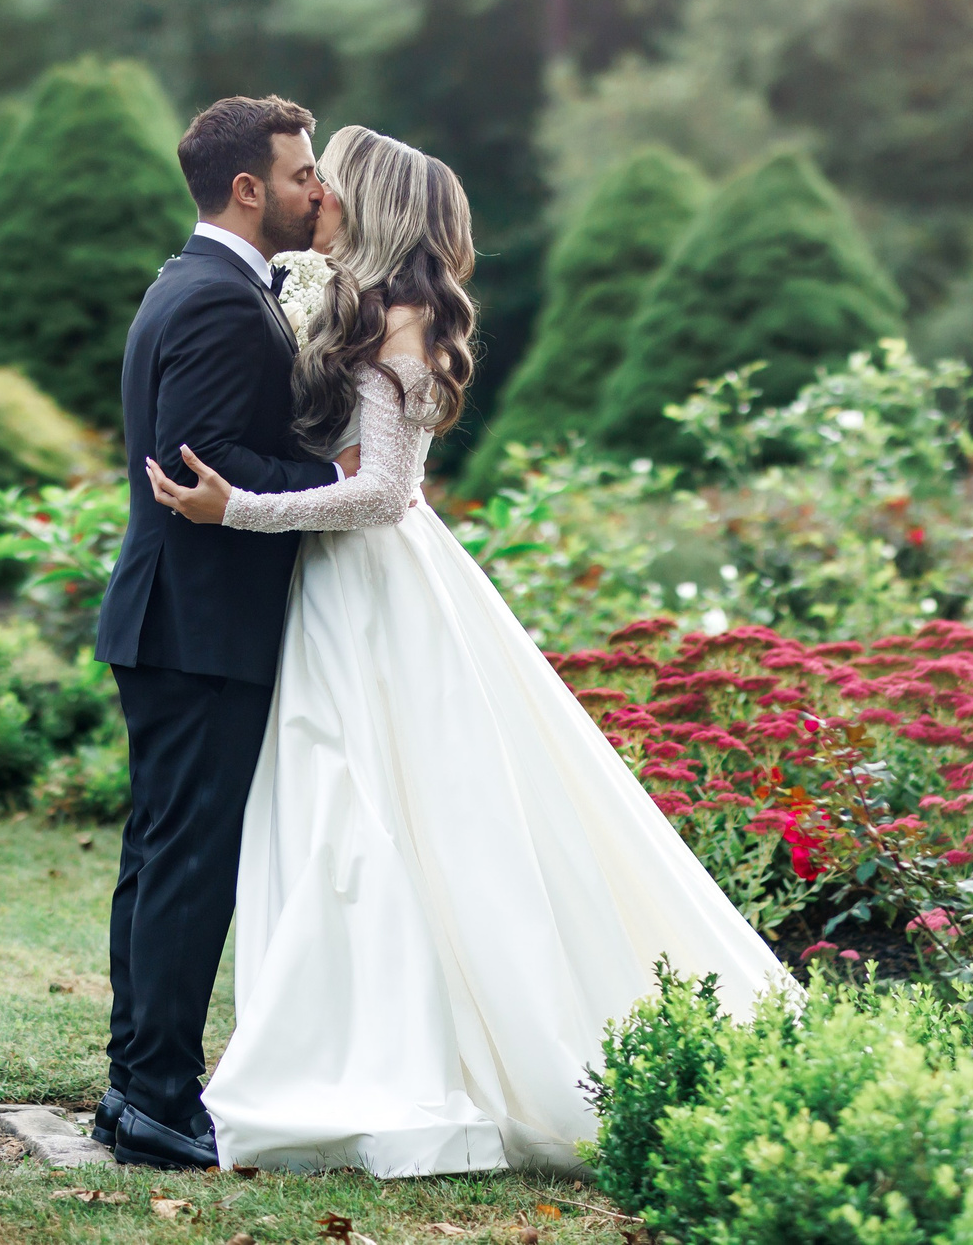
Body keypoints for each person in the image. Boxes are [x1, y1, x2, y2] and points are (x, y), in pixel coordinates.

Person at [144, 125, 794, 1176]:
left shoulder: (402, 318)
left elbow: (386, 495)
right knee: (330, 817)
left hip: (375, 593)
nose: (317, 193)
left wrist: (239, 508)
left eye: (331, 178)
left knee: (374, 820)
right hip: (331, 593)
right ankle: (345, 1051)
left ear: (372, 199)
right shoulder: (355, 300)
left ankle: (391, 1072)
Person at [90, 95, 354, 1171]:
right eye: (300, 175)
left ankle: (132, 1088)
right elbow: (197, 457)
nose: (315, 192)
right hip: (197, 622)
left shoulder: (194, 284)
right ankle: (154, 1096)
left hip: (175, 620)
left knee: (162, 856)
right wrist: (333, 479)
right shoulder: (214, 301)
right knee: (186, 862)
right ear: (247, 188)